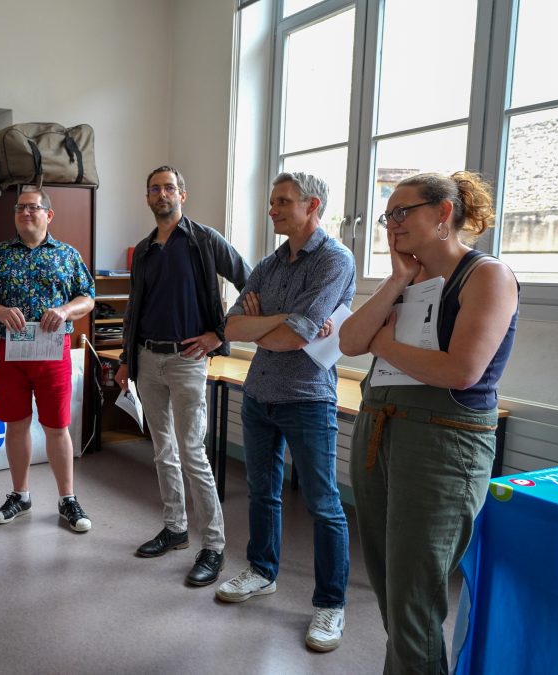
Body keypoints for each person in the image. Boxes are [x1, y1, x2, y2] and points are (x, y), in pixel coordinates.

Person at [339, 172, 518, 674]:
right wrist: (395, 280)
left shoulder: (487, 276)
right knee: (392, 590)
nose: (391, 224)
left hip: (445, 443)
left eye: (402, 212)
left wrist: (385, 344)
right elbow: (351, 341)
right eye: (387, 216)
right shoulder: (408, 279)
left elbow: (461, 371)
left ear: (443, 215)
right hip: (380, 430)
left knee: (414, 599)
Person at [216, 171, 355, 653]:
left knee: (324, 505)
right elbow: (232, 324)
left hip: (309, 398)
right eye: (272, 201)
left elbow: (299, 336)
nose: (272, 209)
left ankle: (331, 604)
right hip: (259, 394)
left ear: (312, 205)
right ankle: (261, 570)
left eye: (282, 201)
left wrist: (270, 323)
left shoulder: (335, 260)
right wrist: (277, 320)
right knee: (262, 493)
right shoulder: (270, 263)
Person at [114, 166, 250, 586]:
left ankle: (213, 545)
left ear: (182, 195)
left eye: (168, 187)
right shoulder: (145, 249)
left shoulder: (204, 240)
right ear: (147, 198)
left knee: (193, 451)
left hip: (187, 360)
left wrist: (218, 334)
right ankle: (175, 529)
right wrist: (125, 359)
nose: (161, 194)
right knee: (163, 450)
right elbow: (135, 309)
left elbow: (250, 281)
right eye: (154, 188)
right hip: (146, 359)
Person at [0, 188, 96, 532]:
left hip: (52, 353)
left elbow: (88, 297)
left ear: (48, 215)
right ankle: (20, 495)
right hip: (8, 353)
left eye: (33, 208)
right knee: (16, 423)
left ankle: (67, 498)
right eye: (20, 208)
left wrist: (66, 310)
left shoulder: (67, 255)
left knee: (57, 426)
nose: (26, 213)